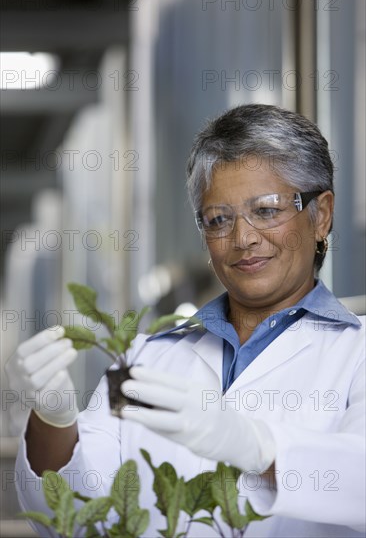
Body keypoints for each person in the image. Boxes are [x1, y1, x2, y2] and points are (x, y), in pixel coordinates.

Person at [6, 104, 365, 537]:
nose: (243, 238)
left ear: (321, 215)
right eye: (219, 219)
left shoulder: (357, 353)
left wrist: (255, 447)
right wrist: (54, 419)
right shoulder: (147, 355)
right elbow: (75, 518)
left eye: (267, 210)